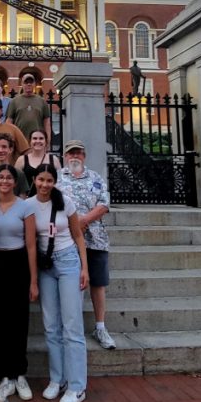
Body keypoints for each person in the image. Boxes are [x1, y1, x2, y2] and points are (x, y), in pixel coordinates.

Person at [31, 163, 89, 402]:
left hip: (67, 262)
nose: (45, 185)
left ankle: (77, 386)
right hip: (46, 266)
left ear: (55, 182)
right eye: (41, 180)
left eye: (49, 180)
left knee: (72, 326)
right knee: (51, 326)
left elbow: (78, 235)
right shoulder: (29, 205)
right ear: (34, 180)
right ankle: (58, 378)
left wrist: (85, 268)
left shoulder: (65, 202)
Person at [0, 164, 38, 402]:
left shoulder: (25, 207)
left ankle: (19, 373)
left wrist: (33, 280)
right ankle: (4, 375)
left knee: (19, 319)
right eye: (0, 177)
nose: (4, 181)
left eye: (9, 177)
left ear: (15, 182)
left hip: (18, 264)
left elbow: (31, 245)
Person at [58, 140, 114, 350]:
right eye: (71, 153)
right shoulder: (58, 178)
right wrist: (73, 223)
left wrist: (83, 221)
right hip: (67, 240)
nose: (75, 157)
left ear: (84, 156)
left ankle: (100, 326)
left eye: (79, 153)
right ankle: (71, 328)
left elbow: (104, 204)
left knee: (98, 283)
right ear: (65, 156)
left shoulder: (96, 178)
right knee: (72, 283)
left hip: (96, 238)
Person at [6, 73, 51, 142]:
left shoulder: (42, 101)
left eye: (31, 82)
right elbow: (9, 122)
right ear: (22, 84)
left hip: (37, 140)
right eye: (26, 82)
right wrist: (9, 139)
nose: (29, 84)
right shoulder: (14, 101)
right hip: (19, 140)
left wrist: (48, 140)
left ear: (34, 84)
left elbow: (47, 122)